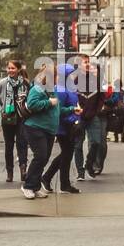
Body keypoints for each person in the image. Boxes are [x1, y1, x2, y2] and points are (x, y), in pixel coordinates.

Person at [21, 63, 73, 199]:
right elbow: (32, 104)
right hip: (36, 128)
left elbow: (57, 109)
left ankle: (35, 186)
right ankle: (28, 186)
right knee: (40, 156)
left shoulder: (51, 90)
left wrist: (72, 110)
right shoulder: (38, 89)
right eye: (57, 76)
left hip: (48, 130)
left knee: (43, 158)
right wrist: (49, 103)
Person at [41, 63, 82, 194]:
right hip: (64, 127)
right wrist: (73, 116)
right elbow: (58, 110)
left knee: (67, 154)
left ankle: (50, 179)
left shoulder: (68, 88)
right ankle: (60, 182)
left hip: (70, 125)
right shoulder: (60, 90)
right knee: (67, 154)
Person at [69, 55, 105, 181]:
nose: (88, 64)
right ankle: (80, 172)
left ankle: (89, 164)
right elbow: (70, 98)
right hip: (78, 117)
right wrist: (74, 111)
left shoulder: (96, 79)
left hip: (92, 116)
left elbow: (101, 97)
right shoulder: (73, 80)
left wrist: (96, 110)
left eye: (88, 62)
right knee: (77, 145)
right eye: (85, 62)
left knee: (96, 142)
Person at [0, 59, 31, 183]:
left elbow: (30, 98)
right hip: (7, 118)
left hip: (22, 118)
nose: (10, 70)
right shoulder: (2, 82)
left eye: (13, 68)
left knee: (22, 143)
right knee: (9, 146)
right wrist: (1, 108)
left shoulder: (25, 83)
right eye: (9, 68)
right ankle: (9, 172)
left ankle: (23, 170)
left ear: (18, 69)